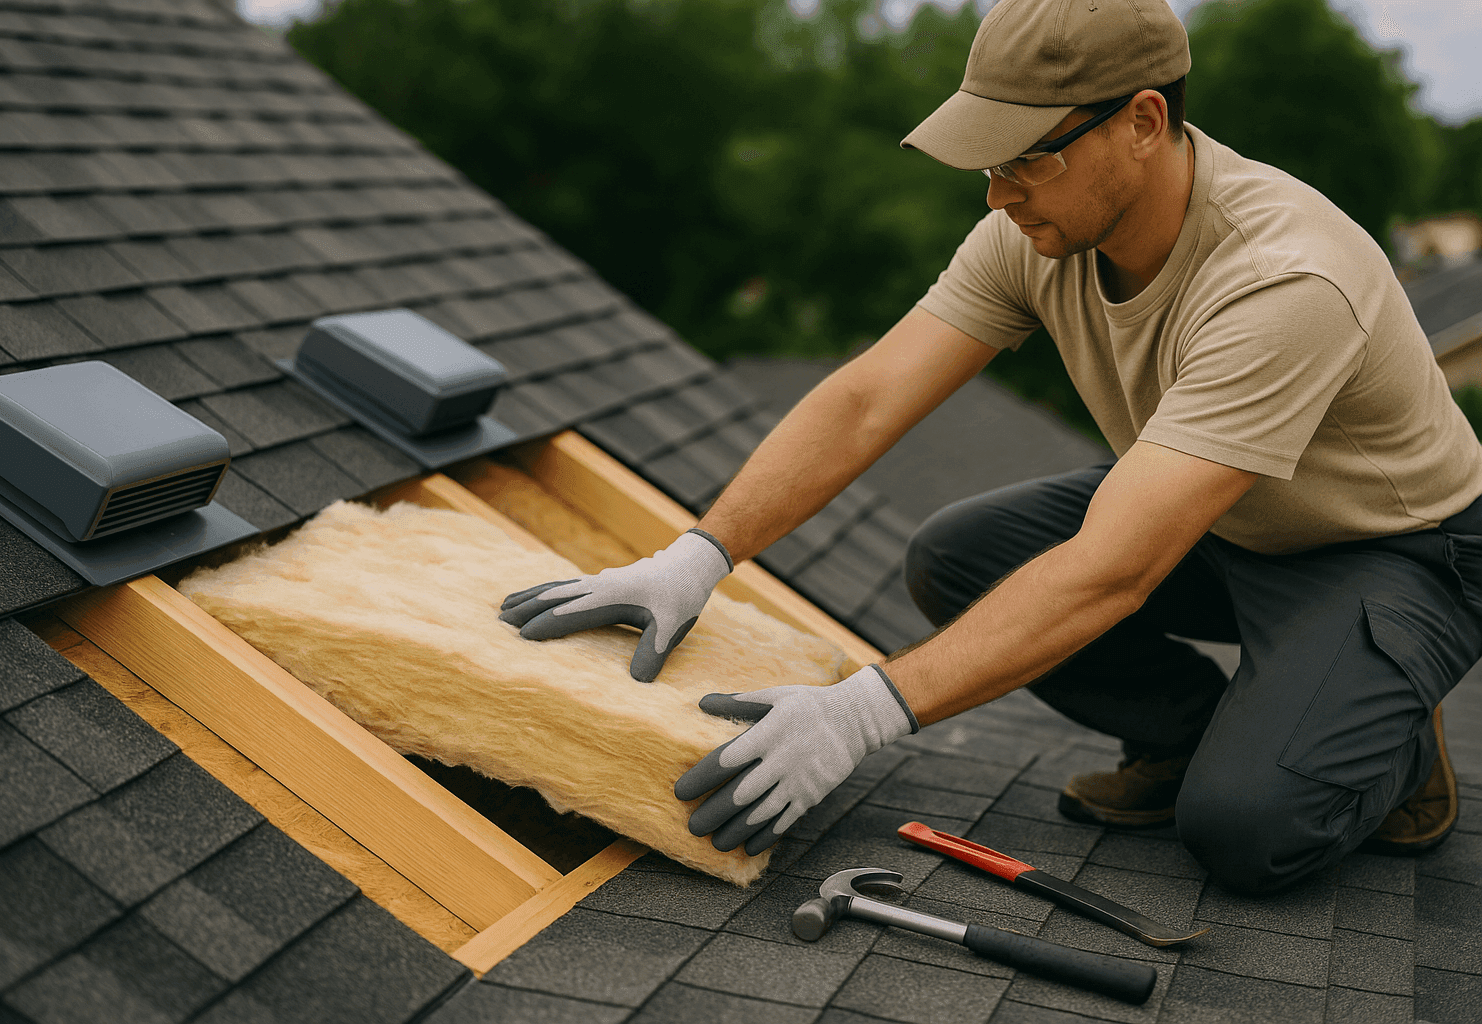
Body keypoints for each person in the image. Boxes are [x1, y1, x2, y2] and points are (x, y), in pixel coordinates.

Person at [500, 0, 1481, 893]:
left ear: (1144, 122)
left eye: (1026, 159)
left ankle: (1386, 735)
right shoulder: (1037, 227)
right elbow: (866, 399)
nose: (997, 195)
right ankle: (1187, 734)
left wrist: (860, 712)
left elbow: (1113, 571)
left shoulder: (1285, 279)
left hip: (1392, 550)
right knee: (958, 555)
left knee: (1246, 829)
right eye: (988, 162)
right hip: (1224, 518)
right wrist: (696, 555)